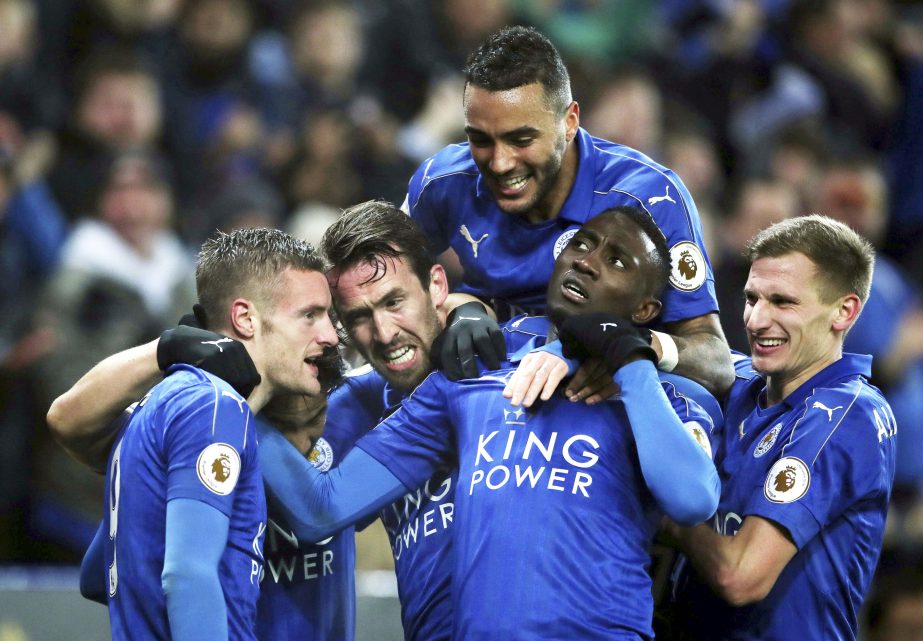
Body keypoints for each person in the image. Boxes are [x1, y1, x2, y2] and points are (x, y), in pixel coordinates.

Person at [257, 205, 721, 640]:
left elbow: (694, 499)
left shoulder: (662, 395)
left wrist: (629, 356)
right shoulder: (464, 383)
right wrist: (238, 399)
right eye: (581, 245)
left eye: (618, 261)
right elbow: (321, 508)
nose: (587, 262)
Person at [402, 25, 734, 394]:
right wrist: (456, 308)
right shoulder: (442, 183)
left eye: (521, 139)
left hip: (602, 409)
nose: (499, 163)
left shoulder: (651, 198)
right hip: (487, 393)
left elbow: (716, 362)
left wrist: (636, 349)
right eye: (480, 140)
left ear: (569, 122)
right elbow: (387, 295)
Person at [47, 227, 340, 641]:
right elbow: (188, 575)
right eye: (309, 315)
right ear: (245, 318)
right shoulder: (217, 408)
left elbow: (99, 573)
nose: (329, 335)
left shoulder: (159, 407)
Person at [663, 215, 896, 640]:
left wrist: (666, 513)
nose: (754, 320)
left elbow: (740, 576)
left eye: (782, 302)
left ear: (844, 311)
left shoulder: (847, 415)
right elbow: (686, 353)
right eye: (752, 298)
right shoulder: (736, 385)